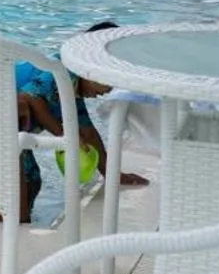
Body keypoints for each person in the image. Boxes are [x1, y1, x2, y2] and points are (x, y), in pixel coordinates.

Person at [15, 21, 147, 222]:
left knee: (33, 183)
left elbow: (88, 132)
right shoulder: (61, 69)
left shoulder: (72, 90)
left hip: (11, 130)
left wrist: (112, 174)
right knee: (21, 207)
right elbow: (29, 97)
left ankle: (7, 213)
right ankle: (3, 214)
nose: (108, 90)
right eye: (108, 80)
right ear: (91, 64)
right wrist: (63, 135)